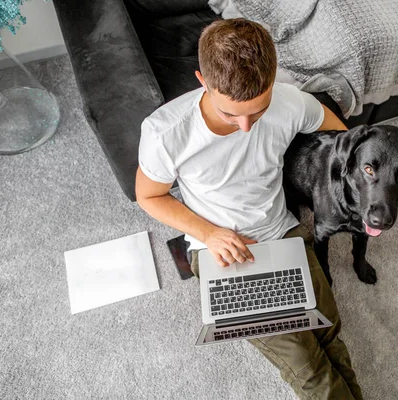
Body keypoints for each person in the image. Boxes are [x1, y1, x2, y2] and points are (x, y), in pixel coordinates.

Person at [135, 18, 363, 399]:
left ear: (273, 81)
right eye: (230, 114)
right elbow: (149, 195)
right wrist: (209, 234)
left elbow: (341, 142)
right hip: (219, 251)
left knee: (328, 334)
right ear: (202, 81)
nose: (244, 127)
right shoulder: (166, 133)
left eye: (257, 113)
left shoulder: (290, 101)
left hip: (282, 233)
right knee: (308, 369)